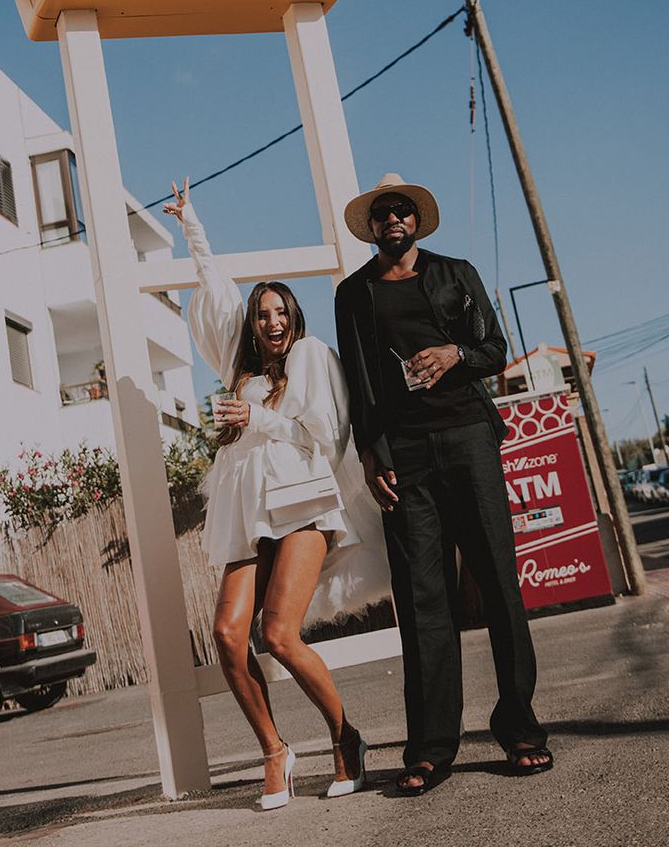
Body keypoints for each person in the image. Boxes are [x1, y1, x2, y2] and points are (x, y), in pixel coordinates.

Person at [163, 178, 391, 810]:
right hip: (246, 511)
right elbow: (214, 301)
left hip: (302, 506)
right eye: (261, 314)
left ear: (293, 318)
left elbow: (325, 435)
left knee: (279, 635)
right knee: (228, 636)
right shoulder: (239, 368)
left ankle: (346, 738)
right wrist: (193, 228)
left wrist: (254, 419)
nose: (269, 321)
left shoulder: (314, 356)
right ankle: (275, 751)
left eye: (279, 312)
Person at [333, 173, 553, 797]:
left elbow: (493, 347)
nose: (393, 219)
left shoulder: (456, 273)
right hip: (404, 457)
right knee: (423, 600)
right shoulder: (354, 293)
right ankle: (431, 747)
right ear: (372, 227)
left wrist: (454, 354)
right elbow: (358, 381)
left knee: (498, 583)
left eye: (402, 210)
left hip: (467, 440)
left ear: (417, 221)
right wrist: (372, 457)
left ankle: (520, 730)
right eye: (382, 213)